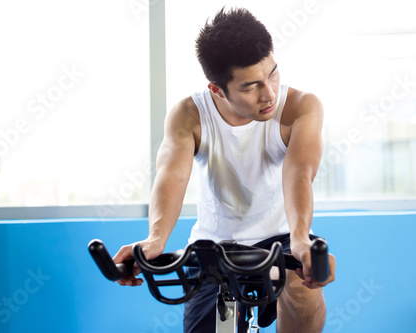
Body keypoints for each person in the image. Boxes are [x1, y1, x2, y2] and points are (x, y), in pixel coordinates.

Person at [113, 7, 336, 333]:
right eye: (251, 86)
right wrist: (155, 239)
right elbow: (172, 174)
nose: (269, 93)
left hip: (284, 239)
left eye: (272, 73)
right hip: (214, 244)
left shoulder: (301, 107)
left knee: (304, 286)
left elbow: (299, 173)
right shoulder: (189, 113)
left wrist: (302, 237)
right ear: (217, 89)